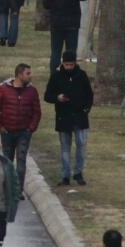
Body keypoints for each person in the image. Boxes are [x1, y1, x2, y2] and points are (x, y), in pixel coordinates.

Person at [44, 50, 94, 186]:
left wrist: (86, 110)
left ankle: (78, 173)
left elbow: (89, 95)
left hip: (80, 116)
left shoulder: (81, 75)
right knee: (65, 147)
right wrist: (57, 98)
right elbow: (47, 96)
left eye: (71, 64)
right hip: (63, 116)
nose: (69, 67)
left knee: (81, 145)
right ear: (62, 63)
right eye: (66, 65)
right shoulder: (56, 76)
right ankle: (65, 175)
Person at [0, 63, 41, 196]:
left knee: (21, 160)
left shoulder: (32, 91)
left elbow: (37, 112)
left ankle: (18, 190)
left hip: (24, 132)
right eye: (28, 73)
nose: (30, 76)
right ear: (19, 75)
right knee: (7, 161)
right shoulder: (3, 89)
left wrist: (31, 128)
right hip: (7, 131)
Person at [44, 0, 91, 73]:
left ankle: (54, 73)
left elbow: (45, 4)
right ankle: (71, 72)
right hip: (72, 24)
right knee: (71, 50)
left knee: (56, 51)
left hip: (56, 24)